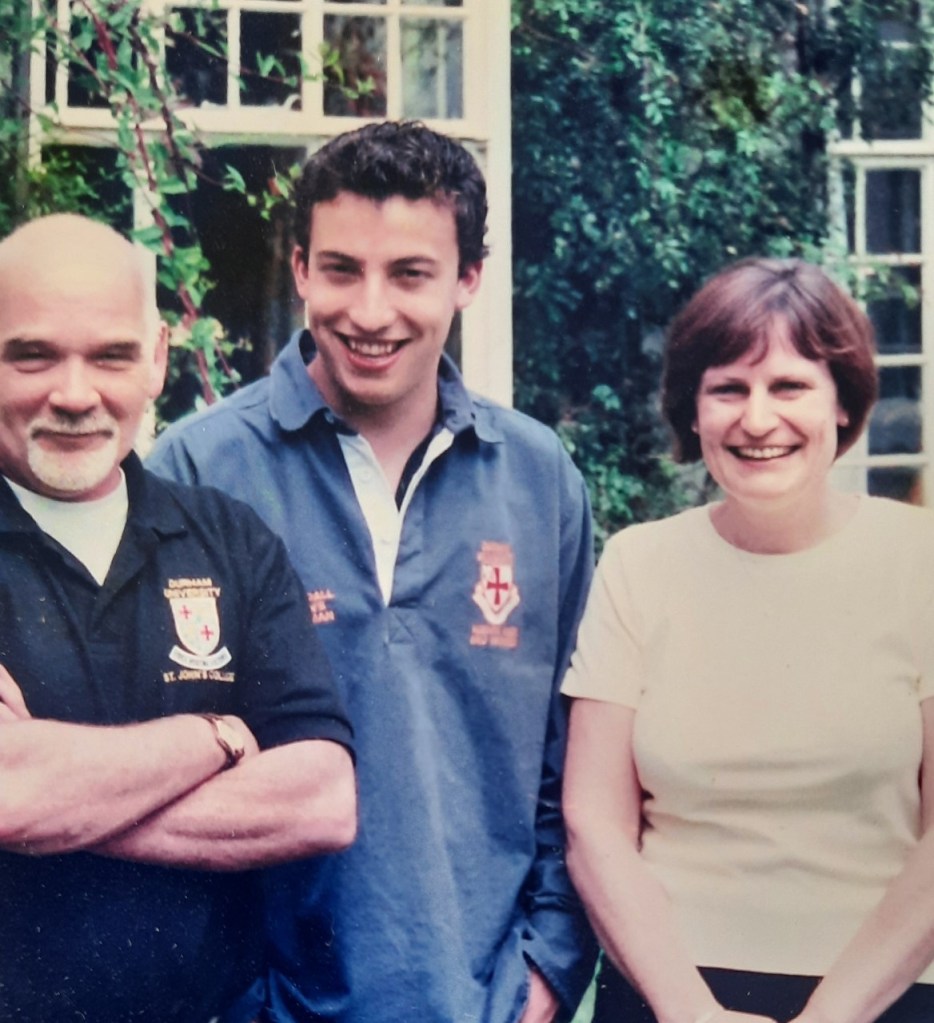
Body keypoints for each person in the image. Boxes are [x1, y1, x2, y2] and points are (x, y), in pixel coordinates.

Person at [149, 120, 597, 1023]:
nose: (370, 310)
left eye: (410, 274)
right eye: (342, 269)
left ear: (469, 278)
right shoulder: (195, 472)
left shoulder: (539, 478)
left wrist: (545, 974)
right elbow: (156, 771)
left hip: (490, 1006)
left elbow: (573, 765)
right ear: (301, 269)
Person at [0, 213, 356, 1023]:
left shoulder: (230, 539)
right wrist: (215, 736)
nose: (75, 394)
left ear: (158, 357)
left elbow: (322, 798)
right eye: (34, 355)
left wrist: (61, 801)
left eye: (111, 355)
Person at [561, 257, 934, 1023]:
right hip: (670, 993)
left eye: (789, 386)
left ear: (843, 402)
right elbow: (594, 824)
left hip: (881, 992)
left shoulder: (919, 562)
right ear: (693, 412)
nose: (757, 420)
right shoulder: (638, 564)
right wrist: (692, 1012)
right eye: (728, 389)